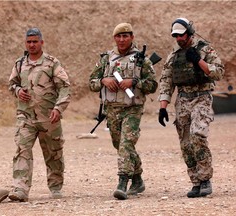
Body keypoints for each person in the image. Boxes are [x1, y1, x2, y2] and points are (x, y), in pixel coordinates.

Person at [89, 23, 158, 200]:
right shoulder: (106, 59)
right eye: (118, 36)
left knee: (126, 143)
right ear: (114, 38)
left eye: (125, 36)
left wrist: (134, 82)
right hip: (112, 110)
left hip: (132, 109)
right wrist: (104, 80)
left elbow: (152, 85)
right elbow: (91, 82)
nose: (121, 40)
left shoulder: (142, 59)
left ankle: (122, 182)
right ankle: (137, 179)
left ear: (132, 37)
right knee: (120, 146)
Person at [158, 18, 225, 198]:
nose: (179, 38)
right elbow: (166, 81)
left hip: (202, 97)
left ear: (189, 32)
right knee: (186, 144)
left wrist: (199, 62)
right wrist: (163, 107)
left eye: (181, 34)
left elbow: (219, 72)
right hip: (183, 100)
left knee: (198, 135)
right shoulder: (174, 55)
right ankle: (195, 182)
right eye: (176, 36)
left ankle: (205, 179)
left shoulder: (204, 49)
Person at [8, 28, 71, 201]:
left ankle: (55, 186)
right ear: (25, 43)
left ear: (41, 42)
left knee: (53, 152)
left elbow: (65, 87)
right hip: (26, 117)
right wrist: (18, 90)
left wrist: (58, 108)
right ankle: (20, 188)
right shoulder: (20, 64)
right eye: (29, 42)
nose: (32, 45)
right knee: (22, 150)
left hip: (49, 117)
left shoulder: (52, 63)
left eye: (35, 41)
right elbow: (11, 84)